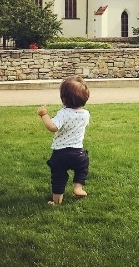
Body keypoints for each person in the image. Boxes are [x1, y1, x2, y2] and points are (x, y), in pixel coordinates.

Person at [37, 76, 90, 205]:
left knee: (58, 176)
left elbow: (52, 127)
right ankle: (78, 188)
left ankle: (56, 201)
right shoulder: (86, 114)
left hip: (61, 153)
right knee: (82, 168)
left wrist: (44, 115)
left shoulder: (63, 114)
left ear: (64, 98)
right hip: (79, 153)